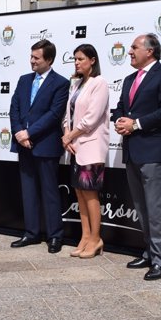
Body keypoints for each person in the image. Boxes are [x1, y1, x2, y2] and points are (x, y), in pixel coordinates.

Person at [113, 33, 161, 281]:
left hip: (154, 152)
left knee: (156, 208)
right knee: (142, 208)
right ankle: (150, 253)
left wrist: (136, 124)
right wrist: (120, 120)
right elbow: (122, 107)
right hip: (133, 151)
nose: (129, 51)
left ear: (149, 51)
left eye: (134, 47)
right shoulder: (130, 79)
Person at [8, 40, 69, 254]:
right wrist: (18, 133)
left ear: (49, 60)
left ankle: (55, 236)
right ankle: (31, 233)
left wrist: (30, 132)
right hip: (24, 144)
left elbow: (54, 114)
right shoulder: (24, 80)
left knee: (50, 192)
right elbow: (14, 107)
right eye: (31, 56)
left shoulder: (60, 83)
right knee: (29, 191)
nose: (32, 61)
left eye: (37, 58)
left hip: (45, 145)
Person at [62, 44, 110, 259]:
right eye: (75, 59)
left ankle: (96, 238)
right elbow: (67, 115)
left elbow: (91, 118)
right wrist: (66, 135)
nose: (77, 62)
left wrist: (70, 135)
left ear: (92, 60)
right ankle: (85, 236)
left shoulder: (99, 84)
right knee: (79, 193)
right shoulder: (76, 84)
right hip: (75, 147)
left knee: (90, 194)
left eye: (81, 58)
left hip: (91, 145)